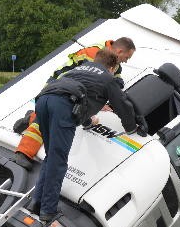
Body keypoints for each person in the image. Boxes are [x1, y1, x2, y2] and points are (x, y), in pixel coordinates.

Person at [28, 49, 137, 222]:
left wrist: (87, 123)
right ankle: (48, 210)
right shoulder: (108, 78)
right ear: (112, 67)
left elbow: (82, 97)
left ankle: (36, 203)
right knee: (58, 160)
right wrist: (132, 128)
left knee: (51, 157)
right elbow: (122, 104)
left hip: (43, 100)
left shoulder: (79, 69)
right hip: (61, 106)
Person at [13, 37, 136, 169]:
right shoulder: (94, 53)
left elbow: (116, 80)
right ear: (119, 51)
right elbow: (89, 84)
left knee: (50, 114)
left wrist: (113, 88)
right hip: (60, 85)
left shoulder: (113, 62)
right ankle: (23, 153)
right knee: (46, 119)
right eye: (127, 57)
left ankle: (30, 118)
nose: (126, 60)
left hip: (70, 90)